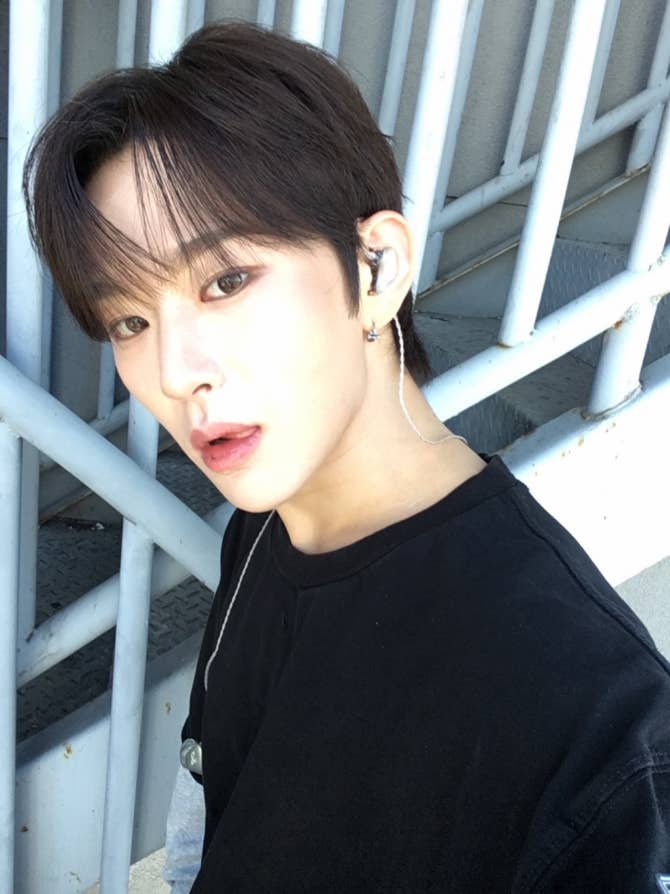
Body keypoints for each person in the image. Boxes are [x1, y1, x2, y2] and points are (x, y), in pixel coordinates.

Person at [24, 20, 670, 894]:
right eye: (131, 321)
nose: (175, 373)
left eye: (225, 282)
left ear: (377, 268)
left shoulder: (591, 722)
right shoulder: (267, 526)